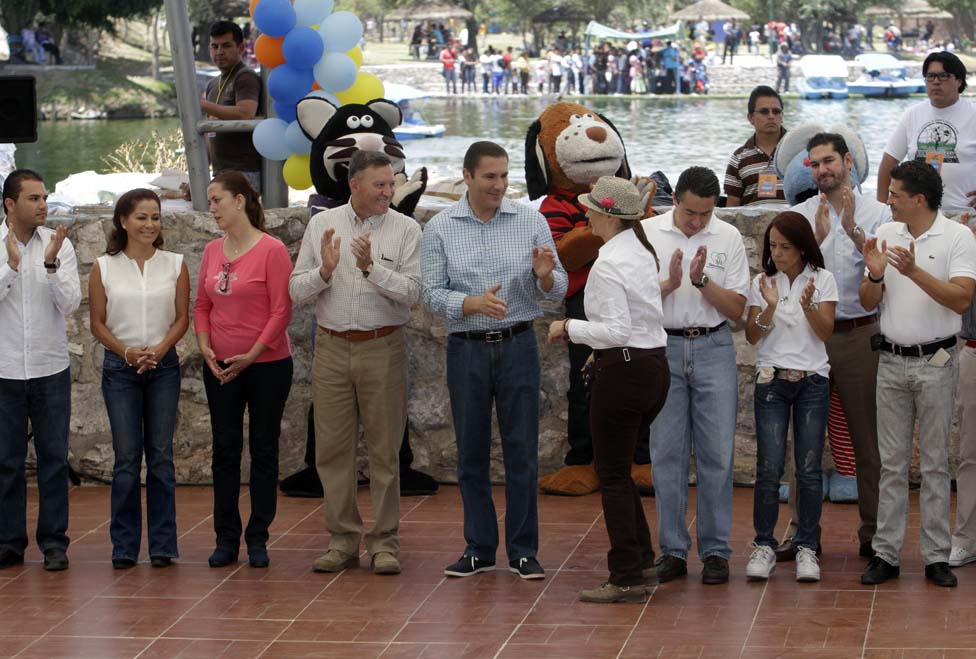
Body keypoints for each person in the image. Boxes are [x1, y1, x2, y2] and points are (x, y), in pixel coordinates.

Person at [421, 141, 567, 580]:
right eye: (490, 177)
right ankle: (479, 548)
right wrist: (470, 304)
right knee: (471, 452)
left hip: (518, 345)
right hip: (466, 347)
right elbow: (429, 294)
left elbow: (558, 288)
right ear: (467, 176)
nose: (500, 186)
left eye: (504, 176)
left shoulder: (531, 220)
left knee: (522, 451)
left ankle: (523, 550)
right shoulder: (441, 227)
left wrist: (545, 275)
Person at [290, 151, 421, 576]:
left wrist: (370, 270)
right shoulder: (320, 226)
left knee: (385, 451)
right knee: (332, 451)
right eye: (380, 184)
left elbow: (413, 294)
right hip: (330, 347)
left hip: (383, 347)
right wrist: (325, 272)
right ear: (354, 186)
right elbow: (296, 291)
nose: (388, 191)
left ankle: (385, 543)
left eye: (391, 183)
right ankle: (342, 539)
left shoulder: (406, 229)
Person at [544, 177, 668, 603]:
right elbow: (638, 320)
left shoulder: (610, 261)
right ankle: (643, 562)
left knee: (612, 475)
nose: (585, 213)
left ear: (608, 216)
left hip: (625, 372)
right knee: (620, 471)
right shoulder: (640, 250)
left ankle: (627, 576)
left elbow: (615, 330)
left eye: (591, 209)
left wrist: (568, 327)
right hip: (652, 368)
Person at [859, 161, 976, 588]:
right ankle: (885, 554)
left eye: (894, 194)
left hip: (937, 362)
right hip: (890, 360)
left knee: (933, 463)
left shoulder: (958, 237)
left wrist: (912, 271)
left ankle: (935, 557)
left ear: (918, 200)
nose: (887, 200)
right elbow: (868, 297)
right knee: (891, 464)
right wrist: (874, 272)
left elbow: (961, 300)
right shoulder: (887, 234)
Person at [645, 167, 749, 586]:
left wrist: (702, 282)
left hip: (713, 346)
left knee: (717, 455)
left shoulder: (728, 237)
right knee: (666, 454)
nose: (697, 222)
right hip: (663, 346)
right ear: (676, 201)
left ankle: (716, 551)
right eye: (690, 213)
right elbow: (633, 300)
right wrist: (669, 285)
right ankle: (671, 549)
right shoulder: (647, 233)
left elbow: (739, 307)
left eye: (705, 214)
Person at [790, 132, 890, 561]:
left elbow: (880, 275)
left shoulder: (881, 212)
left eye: (828, 161)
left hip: (858, 335)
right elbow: (787, 277)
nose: (822, 170)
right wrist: (813, 238)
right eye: (814, 164)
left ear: (848, 161)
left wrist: (851, 231)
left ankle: (874, 535)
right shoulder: (798, 215)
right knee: (803, 442)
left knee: (869, 443)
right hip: (811, 336)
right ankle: (801, 534)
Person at [193, 172, 293, 569]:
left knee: (264, 450)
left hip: (266, 366)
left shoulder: (272, 250)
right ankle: (226, 538)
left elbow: (281, 310)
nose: (212, 208)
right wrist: (204, 346)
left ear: (239, 201)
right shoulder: (212, 251)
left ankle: (258, 537)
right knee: (225, 450)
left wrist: (252, 354)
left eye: (217, 200)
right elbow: (202, 304)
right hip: (220, 367)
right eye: (210, 201)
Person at [88, 189, 189, 569]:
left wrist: (160, 350)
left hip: (163, 367)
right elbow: (97, 323)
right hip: (120, 370)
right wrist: (127, 353)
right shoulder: (104, 266)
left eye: (156, 217)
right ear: (123, 221)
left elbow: (182, 318)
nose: (150, 224)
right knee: (127, 459)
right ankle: (124, 547)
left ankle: (163, 545)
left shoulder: (175, 264)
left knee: (161, 458)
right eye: (142, 217)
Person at [744, 211, 837, 583]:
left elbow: (826, 332)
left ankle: (807, 547)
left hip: (813, 380)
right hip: (772, 381)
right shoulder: (763, 281)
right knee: (768, 468)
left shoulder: (823, 279)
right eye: (772, 246)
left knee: (809, 469)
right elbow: (752, 335)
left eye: (784, 247)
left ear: (801, 248)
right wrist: (768, 307)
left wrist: (809, 305)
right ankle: (764, 544)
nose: (777, 253)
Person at [0, 169, 80, 571]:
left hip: (49, 367)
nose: (43, 205)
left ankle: (54, 543)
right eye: (33, 198)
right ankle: (9, 542)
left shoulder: (58, 245)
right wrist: (11, 268)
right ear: (10, 204)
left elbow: (70, 304)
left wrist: (49, 266)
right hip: (5, 367)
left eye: (44, 197)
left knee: (52, 459)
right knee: (6, 461)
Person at [876, 52, 976, 215]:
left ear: (959, 81)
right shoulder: (912, 115)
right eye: (930, 76)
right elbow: (888, 162)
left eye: (943, 76)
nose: (936, 82)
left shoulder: (973, 115)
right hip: (919, 215)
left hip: (964, 214)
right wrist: (881, 210)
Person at [201, 21, 263, 191]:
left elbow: (246, 113)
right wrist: (199, 176)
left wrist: (203, 105)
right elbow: (209, 132)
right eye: (214, 46)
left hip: (243, 173)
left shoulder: (246, 77)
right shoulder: (213, 83)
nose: (219, 52)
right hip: (219, 173)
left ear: (241, 48)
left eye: (226, 46)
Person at [725, 86, 788, 207]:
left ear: (782, 116)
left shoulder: (798, 150)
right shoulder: (739, 158)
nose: (771, 116)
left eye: (776, 111)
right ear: (751, 118)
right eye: (764, 111)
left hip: (793, 225)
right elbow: (732, 206)